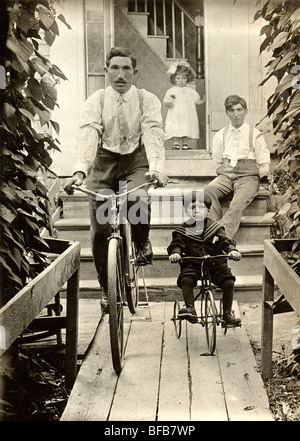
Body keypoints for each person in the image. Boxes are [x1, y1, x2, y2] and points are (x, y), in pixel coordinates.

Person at [64, 47, 167, 305]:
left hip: (135, 161)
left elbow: (153, 134)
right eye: (115, 68)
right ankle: (107, 288)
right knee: (100, 232)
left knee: (136, 200)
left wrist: (156, 167)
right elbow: (88, 135)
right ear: (106, 70)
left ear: (135, 72)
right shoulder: (96, 100)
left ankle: (142, 242)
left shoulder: (147, 99)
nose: (120, 75)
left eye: (126, 69)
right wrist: (79, 171)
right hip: (103, 163)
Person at [167, 192, 242, 326]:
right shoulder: (183, 230)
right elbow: (177, 244)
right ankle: (190, 308)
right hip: (193, 263)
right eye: (192, 208)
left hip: (215, 263)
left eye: (201, 207)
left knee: (228, 282)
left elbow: (225, 241)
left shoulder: (215, 228)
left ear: (208, 211)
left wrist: (232, 250)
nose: (196, 211)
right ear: (187, 212)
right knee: (186, 279)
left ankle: (227, 314)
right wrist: (176, 253)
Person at [204, 95, 270, 241]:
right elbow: (217, 159)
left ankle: (222, 236)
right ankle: (212, 226)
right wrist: (225, 171)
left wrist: (264, 178)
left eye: (239, 110)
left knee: (237, 202)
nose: (236, 114)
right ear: (227, 113)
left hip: (248, 177)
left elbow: (263, 160)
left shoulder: (255, 134)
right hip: (226, 176)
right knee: (208, 191)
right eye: (231, 110)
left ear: (246, 111)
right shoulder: (221, 135)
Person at [163, 61, 205, 150]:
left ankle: (185, 144)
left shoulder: (190, 91)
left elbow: (197, 101)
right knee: (176, 128)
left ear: (188, 78)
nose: (181, 80)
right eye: (178, 78)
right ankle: (176, 144)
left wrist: (203, 100)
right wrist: (169, 103)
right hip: (176, 113)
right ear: (174, 79)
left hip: (187, 114)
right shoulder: (171, 91)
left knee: (186, 127)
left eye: (184, 78)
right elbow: (166, 102)